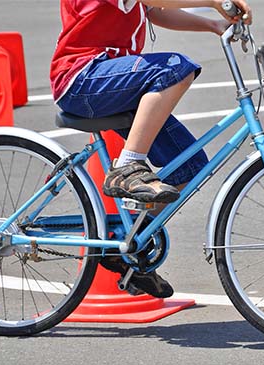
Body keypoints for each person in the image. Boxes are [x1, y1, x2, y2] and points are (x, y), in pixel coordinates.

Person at [50, 0, 252, 297]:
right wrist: (214, 2)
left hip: (112, 82)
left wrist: (213, 24)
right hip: (82, 79)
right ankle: (127, 167)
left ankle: (128, 244)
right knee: (173, 69)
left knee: (190, 167)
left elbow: (154, 11)